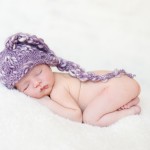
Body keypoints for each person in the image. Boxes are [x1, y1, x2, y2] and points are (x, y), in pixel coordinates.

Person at [0, 33, 141, 127]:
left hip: (116, 86)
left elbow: (75, 116)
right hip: (118, 84)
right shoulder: (52, 83)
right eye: (26, 86)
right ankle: (126, 101)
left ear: (48, 64)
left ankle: (131, 111)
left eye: (39, 73)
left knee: (91, 119)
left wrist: (46, 102)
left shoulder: (57, 88)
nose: (37, 83)